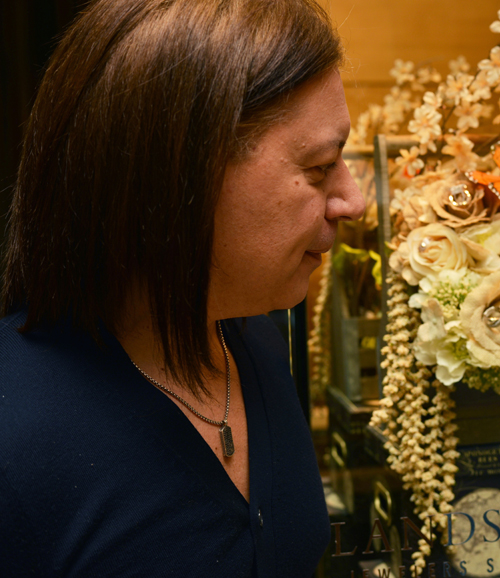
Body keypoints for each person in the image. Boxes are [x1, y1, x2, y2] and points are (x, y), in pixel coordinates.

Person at [0, 0, 364, 575]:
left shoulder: (260, 342)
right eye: (320, 168)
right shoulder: (16, 432)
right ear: (179, 178)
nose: (354, 201)